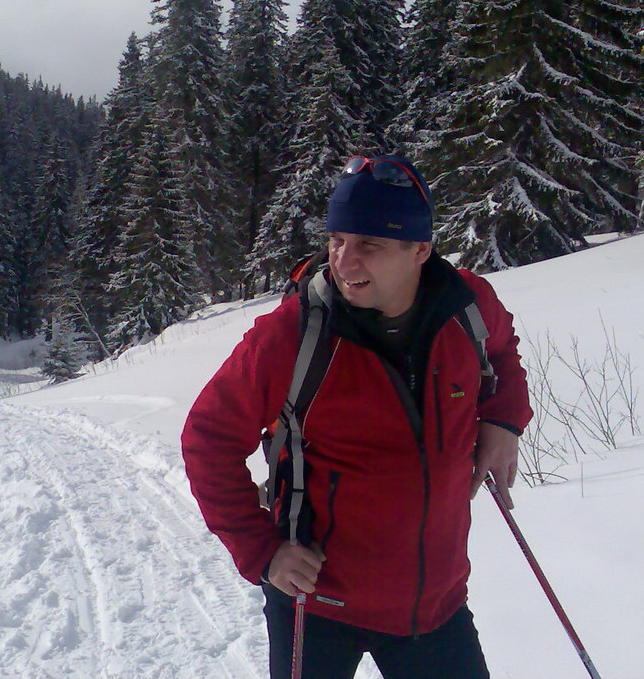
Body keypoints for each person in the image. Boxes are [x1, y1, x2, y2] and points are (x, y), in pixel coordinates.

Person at [181, 155, 532, 679]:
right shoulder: (293, 336)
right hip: (315, 602)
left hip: (434, 603)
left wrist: (503, 422)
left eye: (369, 244)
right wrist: (262, 551)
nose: (345, 262)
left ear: (420, 249)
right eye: (336, 240)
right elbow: (206, 438)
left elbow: (502, 356)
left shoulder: (468, 306)